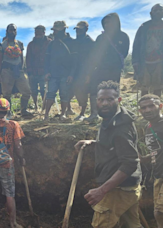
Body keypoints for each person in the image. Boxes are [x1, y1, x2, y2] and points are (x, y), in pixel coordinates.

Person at [75, 81, 142, 228]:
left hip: (117, 189)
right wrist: (94, 142)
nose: (104, 103)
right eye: (101, 100)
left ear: (118, 100)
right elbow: (115, 145)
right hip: (128, 187)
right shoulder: (112, 119)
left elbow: (130, 162)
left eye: (109, 99)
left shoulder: (120, 128)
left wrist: (102, 190)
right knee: (131, 225)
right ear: (96, 101)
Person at [0, 98, 25, 228]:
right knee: (9, 194)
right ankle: (12, 222)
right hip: (6, 163)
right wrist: (21, 158)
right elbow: (18, 145)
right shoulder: (13, 125)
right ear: (8, 111)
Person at [85, 13, 129, 122]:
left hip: (114, 69)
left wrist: (113, 62)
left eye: (109, 22)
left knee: (112, 92)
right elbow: (94, 54)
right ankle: (94, 114)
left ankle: (112, 114)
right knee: (95, 90)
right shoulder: (101, 37)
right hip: (99, 69)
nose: (107, 25)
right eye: (105, 23)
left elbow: (124, 52)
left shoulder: (123, 36)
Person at [44, 21, 77, 122]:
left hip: (65, 74)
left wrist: (71, 74)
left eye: (56, 30)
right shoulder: (52, 43)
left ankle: (63, 114)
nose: (54, 32)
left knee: (64, 95)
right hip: (53, 73)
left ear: (63, 30)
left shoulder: (71, 42)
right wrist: (47, 72)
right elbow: (47, 59)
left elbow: (75, 61)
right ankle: (46, 115)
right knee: (50, 94)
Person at [138, 94, 163, 227]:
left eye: (151, 106)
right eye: (144, 108)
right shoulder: (149, 127)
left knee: (160, 212)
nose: (147, 110)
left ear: (160, 106)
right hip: (158, 175)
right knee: (158, 212)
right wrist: (142, 159)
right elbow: (157, 152)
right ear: (140, 111)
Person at [0, 24, 32, 117]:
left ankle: (24, 111)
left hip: (18, 71)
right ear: (7, 31)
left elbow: (21, 58)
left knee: (27, 91)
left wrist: (22, 69)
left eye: (14, 30)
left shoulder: (20, 44)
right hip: (6, 71)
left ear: (16, 32)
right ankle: (8, 112)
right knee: (7, 94)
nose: (12, 32)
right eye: (10, 30)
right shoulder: (2, 44)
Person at [133, 4, 163, 97]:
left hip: (160, 63)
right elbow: (136, 45)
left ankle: (156, 109)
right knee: (144, 89)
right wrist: (135, 62)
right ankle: (144, 108)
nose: (158, 12)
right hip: (144, 63)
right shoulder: (144, 27)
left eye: (160, 10)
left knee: (158, 88)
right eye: (155, 10)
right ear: (151, 13)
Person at [68, 21, 95, 121]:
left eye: (81, 29)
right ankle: (68, 110)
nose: (78, 32)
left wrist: (88, 74)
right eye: (77, 30)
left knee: (82, 92)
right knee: (70, 91)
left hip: (84, 71)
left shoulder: (90, 42)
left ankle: (82, 113)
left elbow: (92, 60)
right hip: (73, 70)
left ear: (86, 30)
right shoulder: (74, 42)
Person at [25, 25, 51, 112]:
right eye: (36, 33)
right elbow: (28, 58)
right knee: (33, 90)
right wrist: (29, 71)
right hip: (33, 71)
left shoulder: (49, 43)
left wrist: (49, 71)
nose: (38, 35)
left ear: (44, 33)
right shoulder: (31, 45)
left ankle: (44, 107)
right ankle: (36, 106)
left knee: (44, 90)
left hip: (44, 71)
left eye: (40, 33)